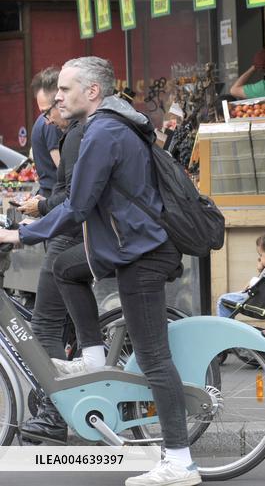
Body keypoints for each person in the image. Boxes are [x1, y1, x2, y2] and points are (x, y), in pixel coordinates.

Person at [0, 57, 201, 486]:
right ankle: (92, 356)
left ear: (92, 92)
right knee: (66, 269)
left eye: (66, 90)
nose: (58, 97)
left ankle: (180, 461)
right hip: (126, 247)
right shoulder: (104, 126)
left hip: (141, 255)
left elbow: (76, 207)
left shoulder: (105, 132)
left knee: (154, 360)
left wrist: (22, 236)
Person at [15, 79, 81, 444]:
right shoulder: (80, 130)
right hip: (70, 230)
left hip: (70, 233)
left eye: (51, 107)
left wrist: (36, 217)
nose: (46, 118)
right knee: (62, 324)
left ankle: (54, 416)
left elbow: (71, 197)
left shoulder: (76, 135)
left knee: (44, 326)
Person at [217, 229, 265, 318]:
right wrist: (261, 269)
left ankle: (226, 330)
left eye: (261, 255)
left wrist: (251, 281)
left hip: (259, 302)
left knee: (222, 300)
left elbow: (261, 285)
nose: (260, 258)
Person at [30, 67, 65, 198]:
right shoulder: (52, 124)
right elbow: (63, 169)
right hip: (55, 197)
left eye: (46, 111)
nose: (47, 119)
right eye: (44, 112)